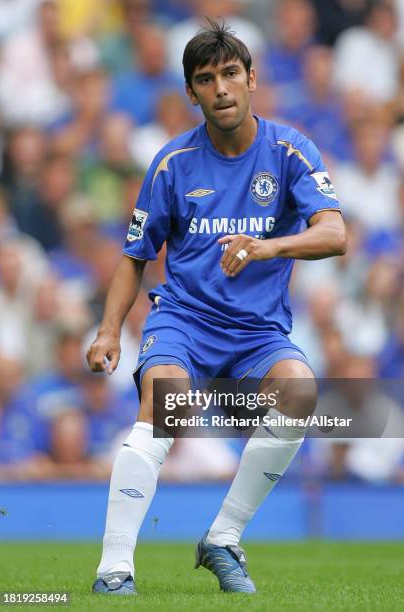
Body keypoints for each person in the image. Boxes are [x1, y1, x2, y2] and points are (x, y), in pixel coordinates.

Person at [87, 20, 346, 596]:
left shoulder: (289, 151)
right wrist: (108, 332)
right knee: (168, 405)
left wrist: (270, 245)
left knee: (301, 390)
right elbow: (135, 255)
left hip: (257, 332)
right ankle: (114, 568)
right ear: (192, 92)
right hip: (184, 321)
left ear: (252, 79)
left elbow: (334, 233)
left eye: (231, 74)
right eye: (206, 79)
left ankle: (223, 537)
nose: (221, 88)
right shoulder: (172, 164)